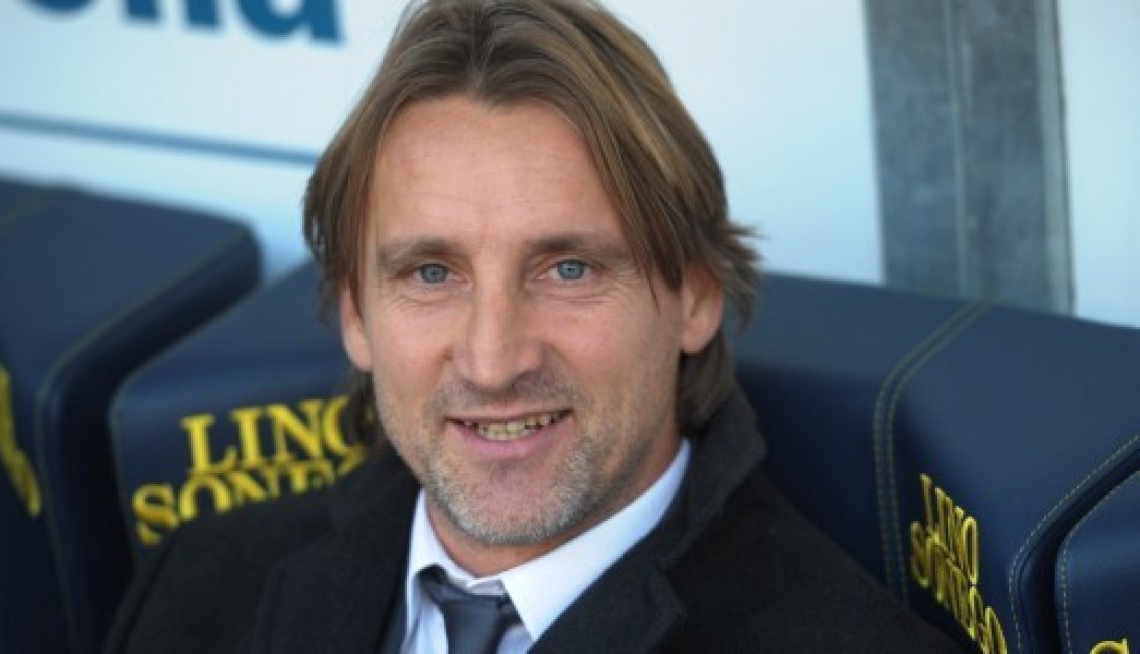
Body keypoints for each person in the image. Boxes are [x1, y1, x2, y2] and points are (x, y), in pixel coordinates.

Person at [107, 0, 960, 651]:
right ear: (356, 315)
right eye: (432, 273)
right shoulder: (201, 588)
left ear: (696, 296)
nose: (492, 360)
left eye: (568, 269)